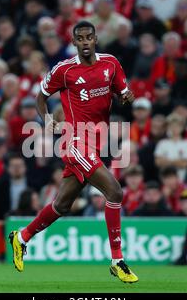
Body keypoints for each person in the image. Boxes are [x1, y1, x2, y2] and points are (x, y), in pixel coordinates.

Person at [9, 21, 138, 283]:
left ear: (96, 38)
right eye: (80, 38)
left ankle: (21, 237)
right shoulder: (64, 70)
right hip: (75, 142)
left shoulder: (111, 64)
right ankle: (117, 261)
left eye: (89, 37)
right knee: (114, 191)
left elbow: (124, 93)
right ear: (74, 42)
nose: (85, 42)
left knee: (62, 205)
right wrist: (46, 120)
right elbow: (40, 97)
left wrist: (127, 98)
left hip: (97, 142)